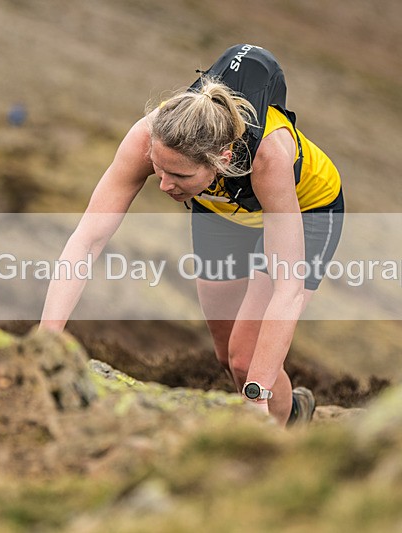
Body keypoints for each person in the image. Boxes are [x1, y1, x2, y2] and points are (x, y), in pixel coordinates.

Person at [40, 45, 343, 426]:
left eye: (179, 176)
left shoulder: (268, 158)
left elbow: (289, 289)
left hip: (307, 209)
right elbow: (88, 239)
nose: (164, 185)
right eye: (158, 169)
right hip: (221, 208)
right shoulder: (149, 136)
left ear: (224, 159)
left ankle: (280, 432)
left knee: (245, 359)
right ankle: (295, 407)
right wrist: (44, 343)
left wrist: (255, 400)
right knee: (225, 351)